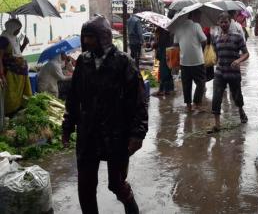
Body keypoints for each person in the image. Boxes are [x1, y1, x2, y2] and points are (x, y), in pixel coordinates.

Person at [62, 16, 148, 214]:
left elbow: (138, 101)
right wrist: (67, 126)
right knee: (85, 185)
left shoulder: (124, 62)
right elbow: (74, 97)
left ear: (104, 37)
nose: (87, 42)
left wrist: (138, 134)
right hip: (88, 132)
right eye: (85, 37)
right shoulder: (83, 62)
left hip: (116, 132)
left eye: (91, 37)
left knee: (116, 184)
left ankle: (131, 208)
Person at [210, 12, 249, 132]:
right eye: (221, 22)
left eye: (226, 22)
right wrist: (217, 61)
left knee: (237, 95)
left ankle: (241, 110)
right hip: (220, 72)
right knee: (216, 96)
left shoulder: (237, 37)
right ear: (218, 23)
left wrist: (238, 60)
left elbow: (246, 53)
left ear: (230, 22)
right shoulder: (216, 38)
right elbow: (217, 54)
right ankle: (217, 124)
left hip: (233, 72)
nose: (223, 24)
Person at [173, 10, 207, 112]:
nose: (200, 17)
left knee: (186, 84)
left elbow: (175, 44)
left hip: (184, 61)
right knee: (201, 82)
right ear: (193, 15)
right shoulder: (196, 26)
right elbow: (204, 40)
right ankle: (197, 104)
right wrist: (200, 49)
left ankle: (188, 106)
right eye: (199, 15)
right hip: (197, 60)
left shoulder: (178, 27)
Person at [0, 19, 31, 116]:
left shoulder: (14, 38)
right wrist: (2, 75)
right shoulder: (3, 39)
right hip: (10, 74)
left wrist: (24, 44)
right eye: (18, 29)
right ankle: (9, 115)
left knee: (19, 96)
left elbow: (17, 54)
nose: (18, 31)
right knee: (11, 96)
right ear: (12, 27)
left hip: (20, 74)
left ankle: (17, 113)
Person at [152, 27, 174, 96]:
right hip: (168, 54)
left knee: (164, 72)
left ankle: (162, 90)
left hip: (165, 54)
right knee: (167, 71)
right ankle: (168, 89)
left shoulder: (164, 32)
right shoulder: (168, 31)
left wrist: (155, 44)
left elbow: (160, 43)